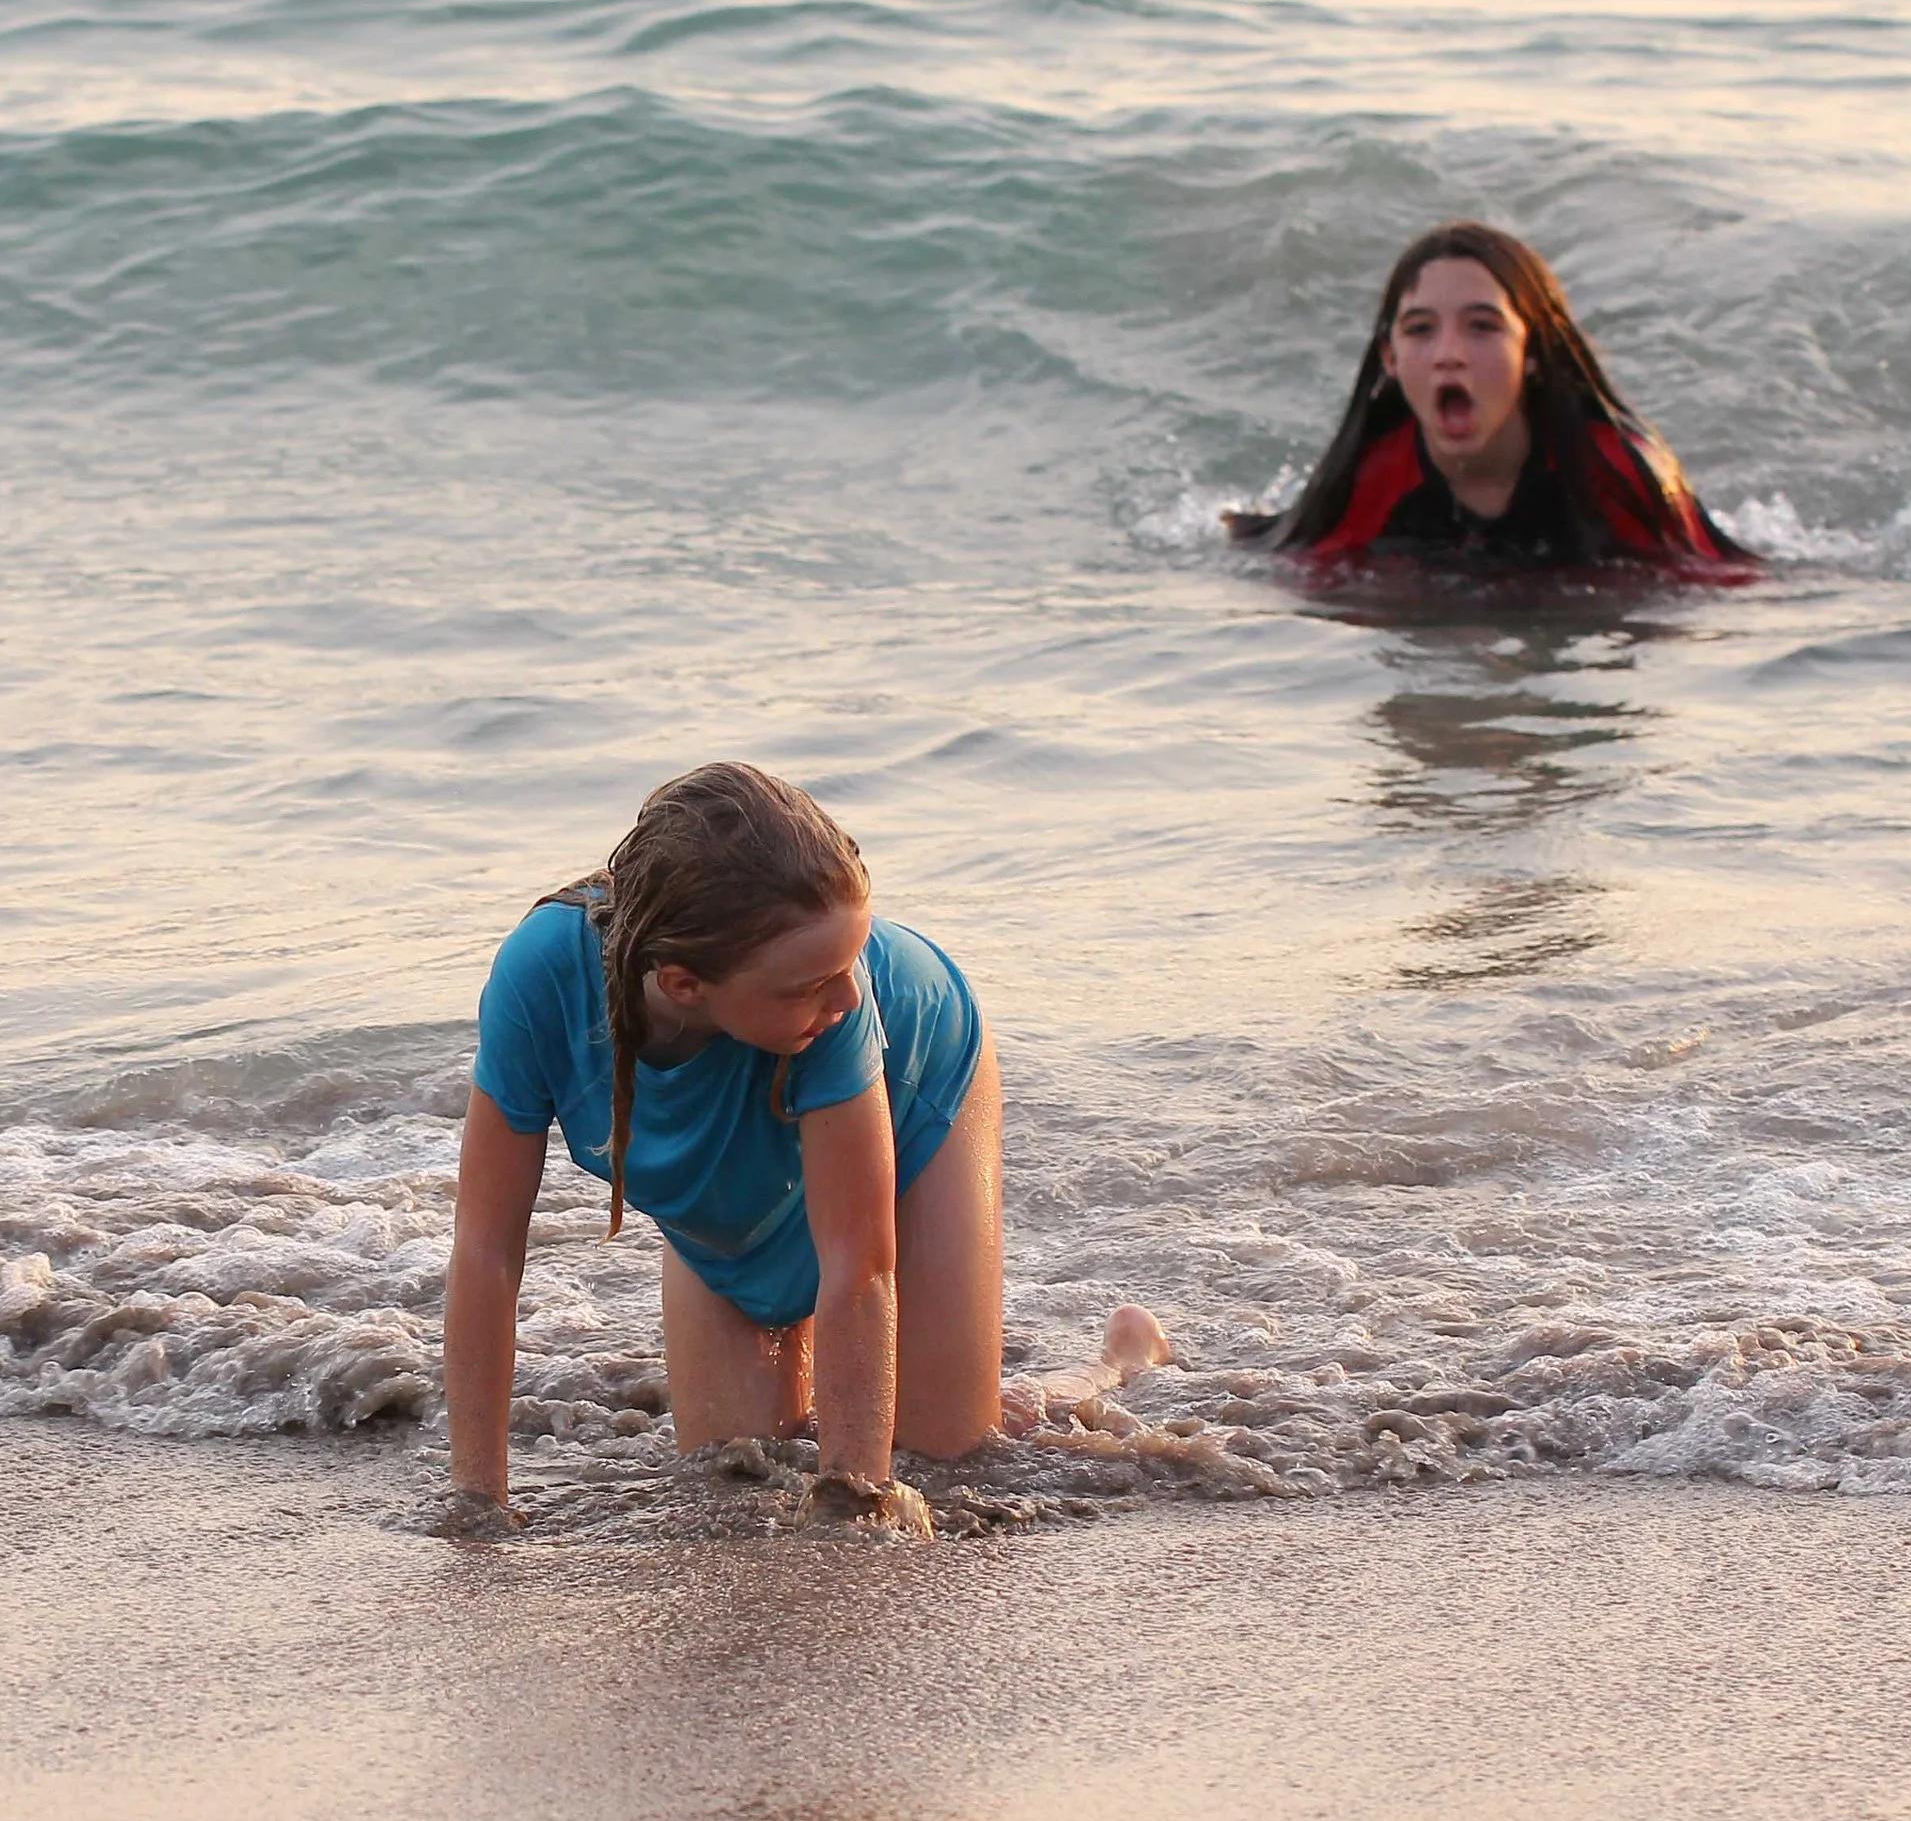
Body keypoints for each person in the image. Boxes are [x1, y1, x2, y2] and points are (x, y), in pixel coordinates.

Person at [442, 761, 1167, 1534]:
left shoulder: (843, 1007)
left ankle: (1115, 1361)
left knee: (946, 1458)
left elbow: (859, 1265)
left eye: (850, 965)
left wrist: (855, 1504)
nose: (848, 995)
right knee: (736, 1475)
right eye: (813, 984)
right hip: (731, 1184)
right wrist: (479, 1505)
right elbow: (487, 1251)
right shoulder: (540, 982)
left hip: (917, 1083)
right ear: (683, 984)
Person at [1227, 220, 1756, 575]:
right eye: (1419, 330)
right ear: (1390, 358)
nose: (1448, 355)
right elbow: (1296, 581)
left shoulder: (1616, 472)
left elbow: (1717, 593)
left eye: (1482, 327)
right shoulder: (1367, 481)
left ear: (1533, 351)